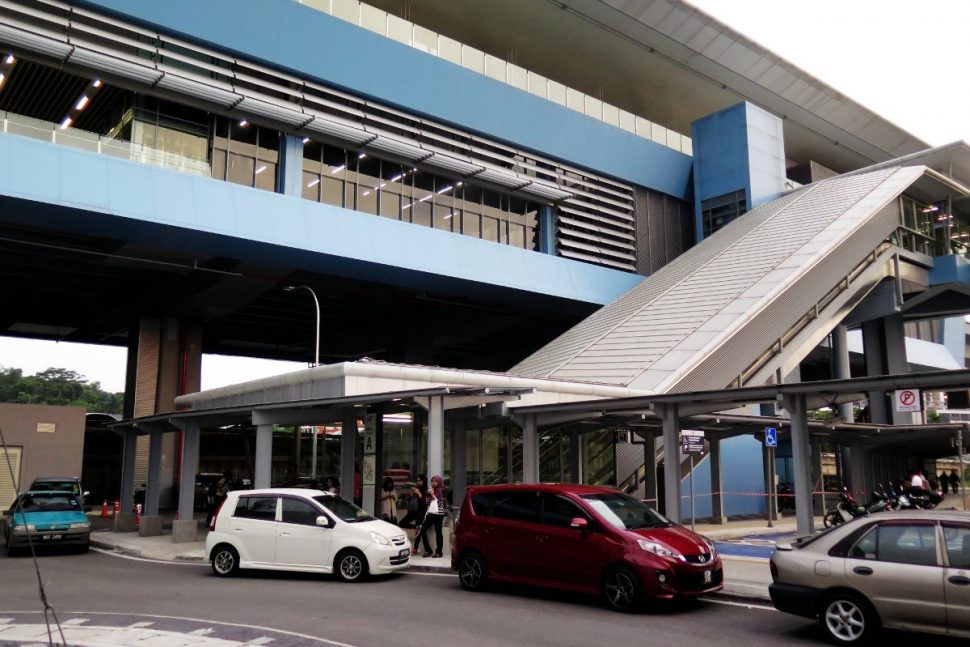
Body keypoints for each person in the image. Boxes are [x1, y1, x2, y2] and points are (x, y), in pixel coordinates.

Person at [415, 474, 447, 558]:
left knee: (438, 532)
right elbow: (428, 503)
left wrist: (432, 494)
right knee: (422, 530)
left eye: (435, 481)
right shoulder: (430, 490)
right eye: (432, 481)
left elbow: (440, 504)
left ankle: (439, 552)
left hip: (439, 514)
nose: (433, 483)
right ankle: (428, 550)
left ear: (439, 482)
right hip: (430, 513)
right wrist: (428, 495)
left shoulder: (441, 491)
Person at [399, 475, 427, 548]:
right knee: (402, 523)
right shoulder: (416, 489)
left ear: (423, 481)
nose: (418, 482)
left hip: (420, 513)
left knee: (418, 533)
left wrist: (419, 493)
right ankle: (416, 527)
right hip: (413, 511)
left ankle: (415, 548)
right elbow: (411, 501)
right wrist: (411, 495)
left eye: (420, 481)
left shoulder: (425, 490)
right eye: (417, 481)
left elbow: (424, 503)